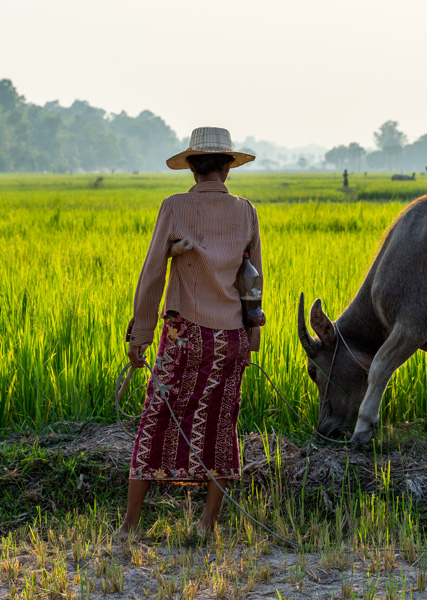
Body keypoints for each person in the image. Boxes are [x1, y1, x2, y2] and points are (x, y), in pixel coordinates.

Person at [119, 126, 262, 539]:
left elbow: (152, 274)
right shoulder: (246, 210)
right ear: (227, 168)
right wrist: (251, 340)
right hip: (231, 337)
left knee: (155, 420)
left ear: (192, 168)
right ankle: (206, 525)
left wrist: (141, 334)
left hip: (184, 337)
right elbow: (253, 281)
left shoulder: (174, 206)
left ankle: (130, 526)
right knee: (221, 424)